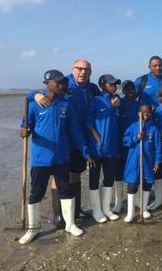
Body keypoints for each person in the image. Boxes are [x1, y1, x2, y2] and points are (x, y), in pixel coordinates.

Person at [19, 70, 88, 244]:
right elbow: (25, 126)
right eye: (58, 83)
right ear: (48, 84)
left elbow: (75, 132)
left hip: (62, 159)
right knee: (36, 194)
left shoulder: (66, 105)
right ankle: (33, 229)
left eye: (63, 82)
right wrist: (24, 131)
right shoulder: (34, 104)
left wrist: (85, 149)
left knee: (66, 191)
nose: (62, 85)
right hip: (40, 159)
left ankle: (70, 224)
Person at [29, 59, 101, 227]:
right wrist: (34, 94)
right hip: (62, 137)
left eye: (86, 69)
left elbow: (102, 101)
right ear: (73, 69)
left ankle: (76, 211)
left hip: (81, 135)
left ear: (90, 72)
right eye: (79, 68)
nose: (83, 72)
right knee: (60, 174)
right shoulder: (65, 84)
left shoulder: (93, 88)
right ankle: (58, 215)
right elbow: (43, 91)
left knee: (75, 172)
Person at [86, 74, 121, 223]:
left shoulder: (117, 101)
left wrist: (115, 108)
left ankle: (106, 208)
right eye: (111, 84)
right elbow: (88, 122)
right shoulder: (96, 100)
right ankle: (97, 211)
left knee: (109, 178)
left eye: (115, 84)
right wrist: (96, 137)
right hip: (96, 149)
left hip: (111, 148)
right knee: (94, 178)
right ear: (103, 85)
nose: (114, 87)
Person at [122, 104, 162, 222]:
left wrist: (157, 161)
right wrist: (136, 137)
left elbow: (158, 147)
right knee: (132, 185)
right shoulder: (133, 127)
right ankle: (130, 213)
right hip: (134, 162)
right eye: (143, 112)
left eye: (148, 112)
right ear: (138, 113)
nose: (146, 114)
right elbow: (125, 140)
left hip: (148, 162)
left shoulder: (154, 129)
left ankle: (144, 209)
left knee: (147, 184)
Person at [113, 80, 139, 213]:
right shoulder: (119, 103)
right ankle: (118, 201)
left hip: (133, 145)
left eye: (132, 89)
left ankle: (135, 200)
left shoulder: (138, 105)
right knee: (118, 174)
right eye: (127, 89)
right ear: (123, 91)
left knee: (133, 173)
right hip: (119, 144)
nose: (130, 91)